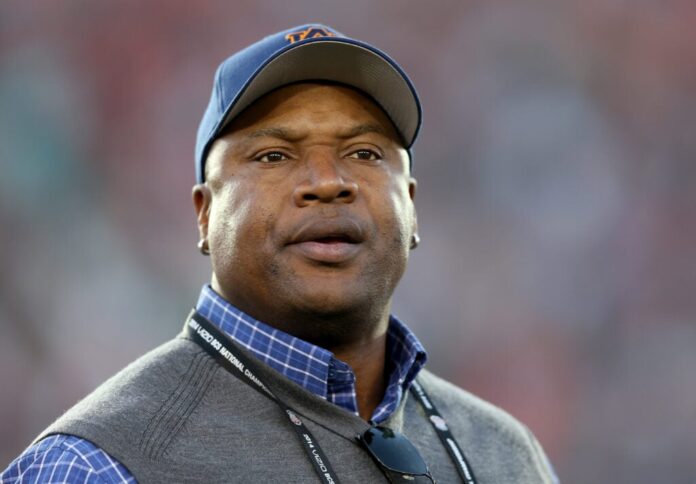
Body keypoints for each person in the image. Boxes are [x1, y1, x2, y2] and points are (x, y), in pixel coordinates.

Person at [2, 24, 558, 483]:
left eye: (364, 152)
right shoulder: (95, 466)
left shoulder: (506, 453)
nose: (328, 182)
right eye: (273, 155)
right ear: (204, 213)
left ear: (411, 206)